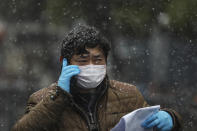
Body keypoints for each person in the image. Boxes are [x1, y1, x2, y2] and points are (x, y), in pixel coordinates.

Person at [12, 25, 182, 131]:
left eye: (98, 60)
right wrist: (59, 96)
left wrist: (171, 119)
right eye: (83, 60)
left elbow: (150, 122)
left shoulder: (129, 95)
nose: (91, 66)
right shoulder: (43, 99)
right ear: (64, 63)